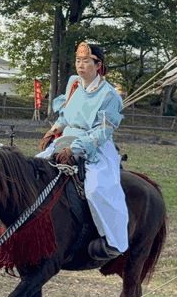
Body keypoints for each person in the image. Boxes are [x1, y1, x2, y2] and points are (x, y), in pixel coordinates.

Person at [37, 42, 128, 263]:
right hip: (64, 139)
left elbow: (103, 130)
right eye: (78, 60)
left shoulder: (109, 95)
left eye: (86, 61)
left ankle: (112, 241)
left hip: (94, 146)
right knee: (33, 170)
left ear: (98, 65)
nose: (80, 65)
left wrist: (76, 148)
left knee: (97, 188)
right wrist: (54, 129)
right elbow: (66, 115)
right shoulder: (74, 84)